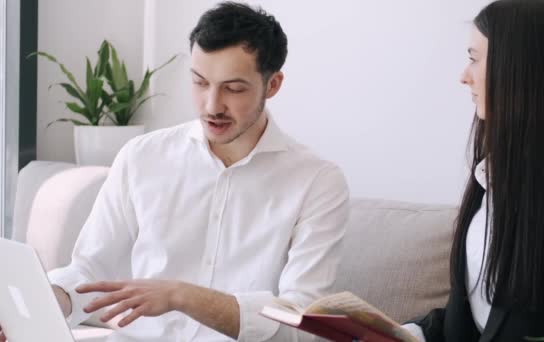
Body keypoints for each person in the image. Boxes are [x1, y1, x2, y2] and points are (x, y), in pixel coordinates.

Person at [0, 2, 349, 342]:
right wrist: (42, 304)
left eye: (234, 88)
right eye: (200, 82)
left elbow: (301, 322)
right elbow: (91, 270)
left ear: (272, 85)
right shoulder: (142, 157)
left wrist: (183, 296)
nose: (212, 105)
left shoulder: (317, 182)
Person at [402, 0, 544, 341]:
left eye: (474, 58)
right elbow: (470, 319)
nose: (463, 76)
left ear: (519, 68)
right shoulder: (490, 177)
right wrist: (401, 334)